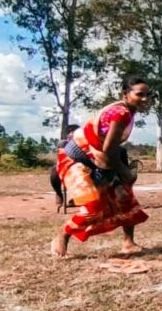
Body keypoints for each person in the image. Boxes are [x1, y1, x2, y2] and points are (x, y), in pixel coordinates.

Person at [51, 77, 150, 258]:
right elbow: (109, 149)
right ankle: (64, 234)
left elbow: (108, 150)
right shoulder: (121, 113)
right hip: (77, 160)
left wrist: (119, 177)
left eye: (148, 95)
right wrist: (124, 171)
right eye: (139, 94)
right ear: (126, 95)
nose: (145, 98)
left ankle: (128, 243)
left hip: (99, 159)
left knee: (125, 197)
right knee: (95, 206)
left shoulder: (127, 111)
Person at [50, 124, 80, 211]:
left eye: (74, 131)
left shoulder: (84, 141)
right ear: (68, 135)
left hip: (83, 166)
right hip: (67, 166)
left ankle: (79, 198)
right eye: (70, 132)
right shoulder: (64, 143)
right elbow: (61, 158)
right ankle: (59, 194)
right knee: (54, 170)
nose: (72, 133)